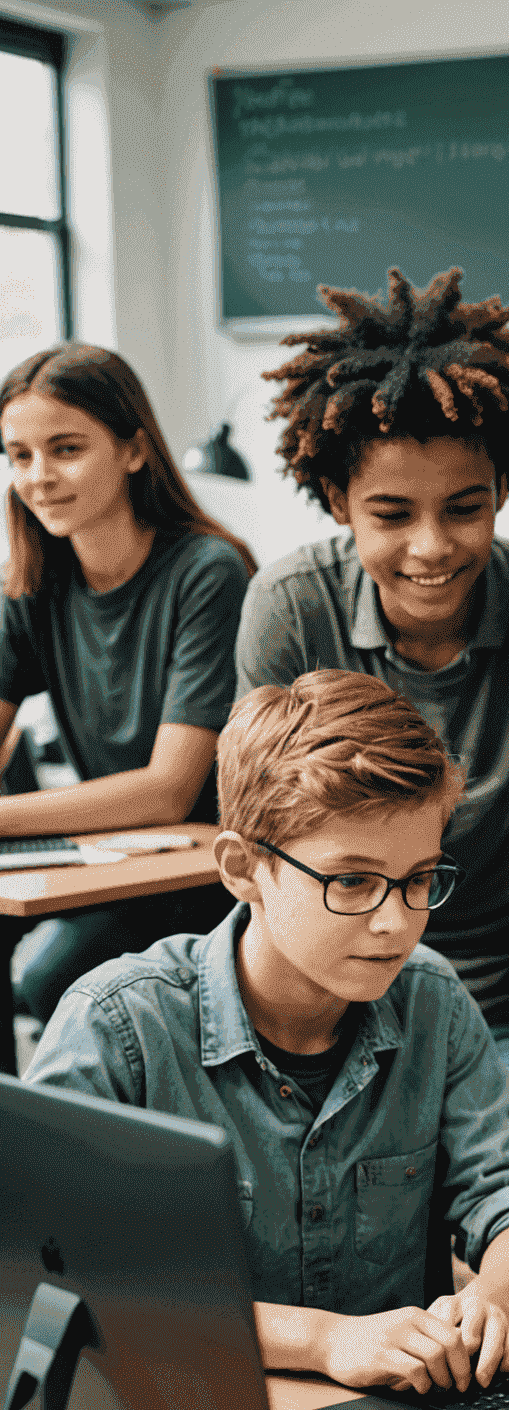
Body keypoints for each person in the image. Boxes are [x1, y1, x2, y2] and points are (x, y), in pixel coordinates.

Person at [25, 670, 509, 1392]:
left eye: (419, 879)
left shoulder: (431, 1001)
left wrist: (484, 1304)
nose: (396, 922)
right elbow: (47, 1268)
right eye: (351, 881)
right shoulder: (118, 1026)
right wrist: (321, 1341)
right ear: (241, 868)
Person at [238, 267, 509, 1130]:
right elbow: (268, 858)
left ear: (502, 488)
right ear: (339, 500)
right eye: (390, 514)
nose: (431, 547)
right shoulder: (293, 608)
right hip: (332, 1005)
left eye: (465, 507)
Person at [0, 343, 255, 1075]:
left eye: (66, 449)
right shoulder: (31, 585)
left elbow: (167, 789)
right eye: (18, 455)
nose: (38, 477)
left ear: (135, 449)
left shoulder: (207, 570)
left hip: (208, 881)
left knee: (47, 981)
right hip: (107, 871)